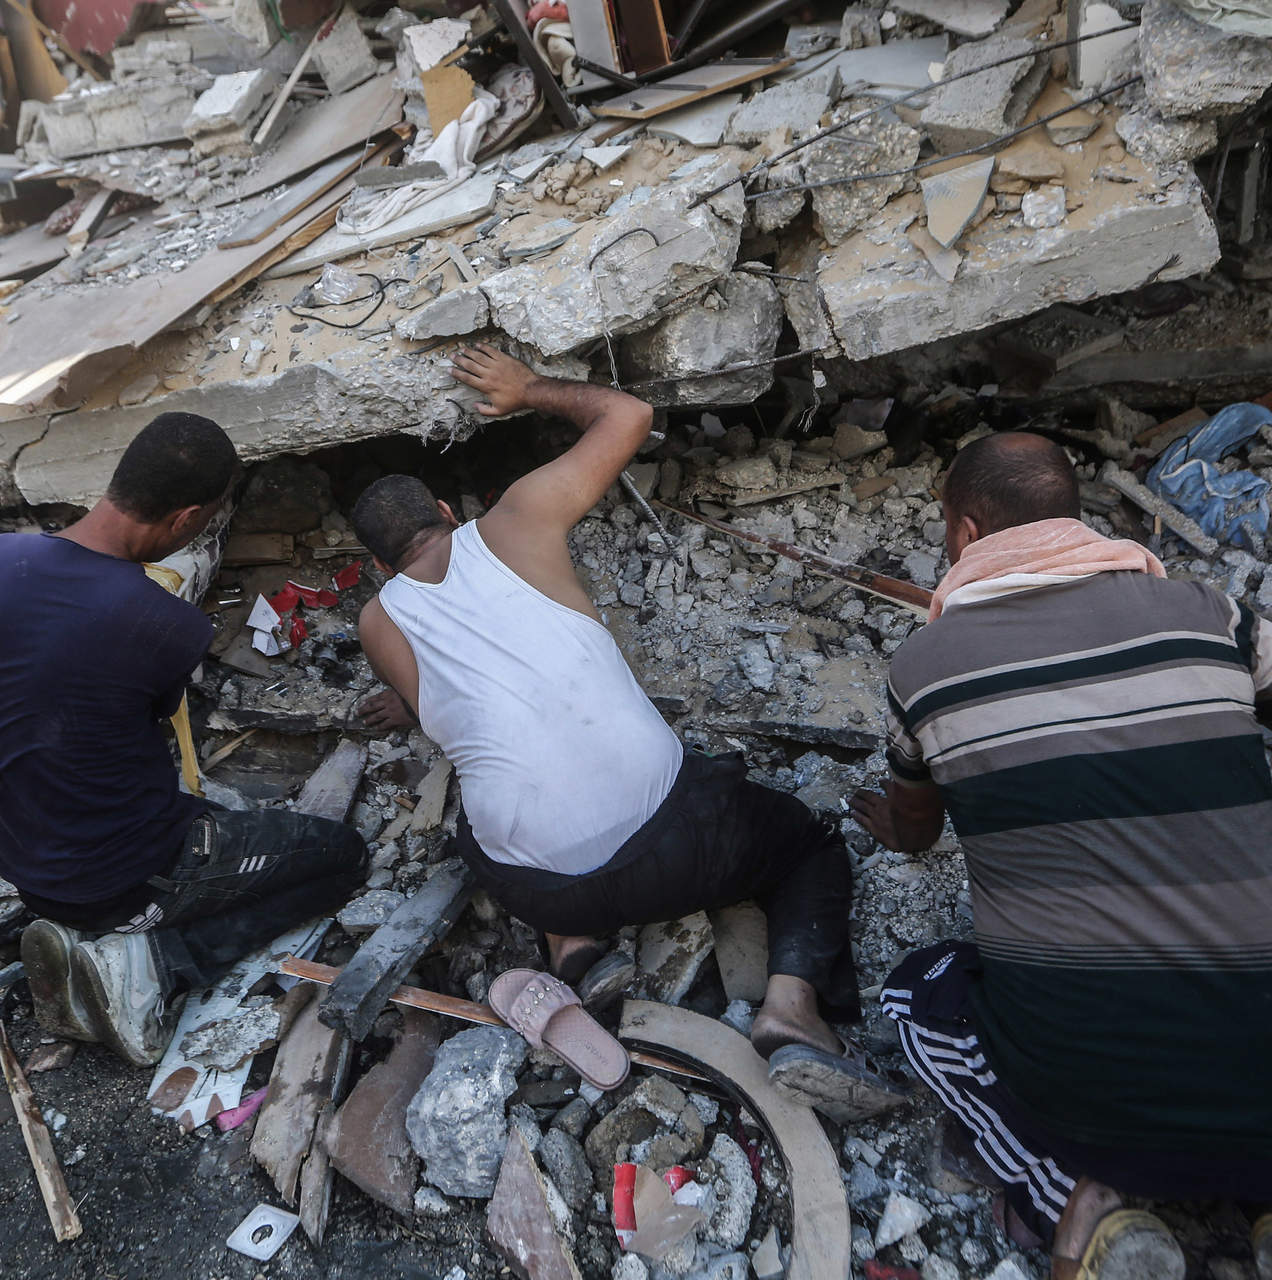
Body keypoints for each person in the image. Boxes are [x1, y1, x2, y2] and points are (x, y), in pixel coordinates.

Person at [851, 433, 1272, 1280]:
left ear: (963, 533)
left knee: (919, 991)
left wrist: (898, 821)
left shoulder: (923, 671)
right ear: (1075, 521)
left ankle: (1086, 1196)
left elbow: (918, 834)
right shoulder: (1212, 613)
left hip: (1096, 1112)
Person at [350, 345, 900, 1117]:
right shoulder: (515, 518)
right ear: (449, 512)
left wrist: (404, 703)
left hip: (538, 886)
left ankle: (576, 948)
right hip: (681, 843)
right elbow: (629, 415)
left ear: (379, 569)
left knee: (475, 820)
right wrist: (525, 389)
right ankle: (790, 1008)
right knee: (806, 845)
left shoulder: (378, 622)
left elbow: (446, 706)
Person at [0, 412, 368, 1066]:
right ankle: (156, 963)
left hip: (25, 863)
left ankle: (96, 934)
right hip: (120, 876)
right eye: (204, 521)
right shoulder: (162, 624)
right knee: (340, 857)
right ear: (185, 519)